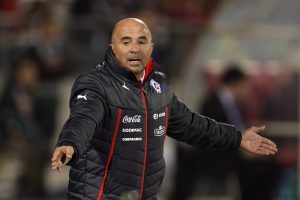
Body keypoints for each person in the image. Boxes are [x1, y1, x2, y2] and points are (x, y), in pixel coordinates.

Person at [51, 18, 278, 200]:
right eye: (126, 41)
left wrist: (237, 138)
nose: (134, 49)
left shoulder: (159, 86)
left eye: (141, 41)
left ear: (151, 47)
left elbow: (192, 125)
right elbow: (84, 117)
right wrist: (70, 143)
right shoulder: (95, 84)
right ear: (113, 48)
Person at [170, 66, 248, 200]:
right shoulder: (211, 102)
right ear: (236, 82)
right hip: (217, 154)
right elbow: (205, 131)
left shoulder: (236, 104)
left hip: (230, 149)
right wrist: (238, 142)